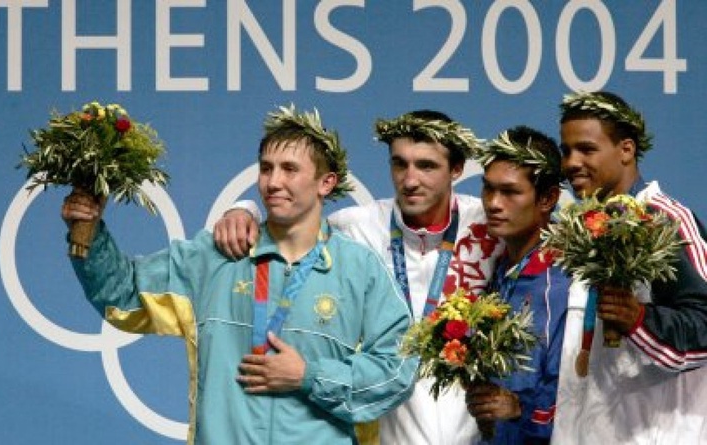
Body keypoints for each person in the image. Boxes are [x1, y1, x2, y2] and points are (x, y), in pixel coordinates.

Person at [61, 105, 417, 445]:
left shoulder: (360, 270)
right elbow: (123, 294)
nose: (273, 182)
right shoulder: (215, 256)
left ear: (326, 183)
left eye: (290, 169)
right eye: (266, 168)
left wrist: (308, 375)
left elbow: (398, 370)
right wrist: (88, 228)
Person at [214, 110, 504, 444]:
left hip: (472, 426)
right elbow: (291, 226)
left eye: (426, 166)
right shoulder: (355, 225)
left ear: (456, 169)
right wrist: (243, 210)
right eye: (399, 164)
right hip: (388, 423)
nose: (409, 180)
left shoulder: (488, 224)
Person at [551, 91, 707, 444]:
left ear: (626, 150)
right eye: (566, 151)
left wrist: (640, 319)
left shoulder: (664, 220)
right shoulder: (582, 230)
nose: (571, 163)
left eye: (586, 149)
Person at [464, 126, 570, 444]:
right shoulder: (496, 268)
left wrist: (520, 408)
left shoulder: (564, 283)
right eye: (488, 189)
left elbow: (582, 395)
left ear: (548, 198)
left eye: (510, 192)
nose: (493, 203)